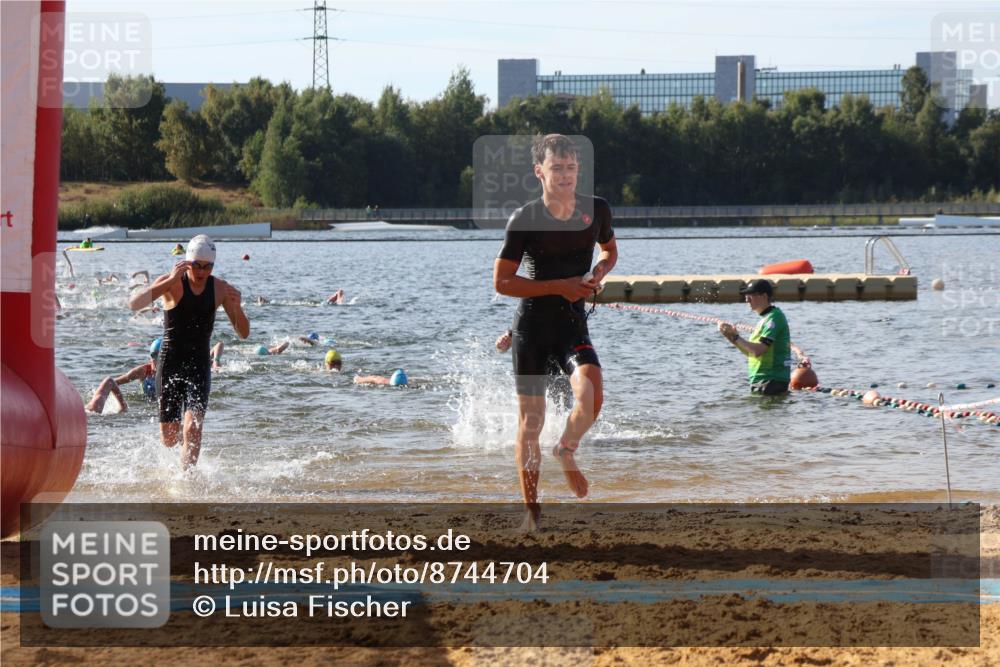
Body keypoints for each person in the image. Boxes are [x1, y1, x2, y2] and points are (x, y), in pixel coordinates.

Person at [493, 133, 618, 529]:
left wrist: (599, 271)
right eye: (556, 168)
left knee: (591, 392)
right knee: (531, 423)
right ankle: (531, 507)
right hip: (531, 328)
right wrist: (560, 286)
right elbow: (502, 282)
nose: (565, 176)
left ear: (578, 169)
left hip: (571, 323)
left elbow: (610, 250)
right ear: (539, 172)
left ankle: (566, 449)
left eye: (571, 168)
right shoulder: (525, 219)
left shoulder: (596, 210)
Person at [127, 234, 250, 469]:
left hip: (199, 366)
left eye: (207, 266)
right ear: (186, 262)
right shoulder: (173, 282)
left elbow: (243, 333)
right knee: (169, 439)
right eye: (196, 265)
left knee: (193, 428)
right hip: (170, 363)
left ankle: (186, 482)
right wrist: (167, 282)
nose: (202, 271)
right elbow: (134, 304)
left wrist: (238, 307)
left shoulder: (220, 289)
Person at [717, 279, 793, 395]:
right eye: (746, 295)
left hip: (771, 381)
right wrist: (729, 336)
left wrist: (736, 337)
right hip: (760, 381)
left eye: (751, 295)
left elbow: (759, 350)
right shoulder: (764, 320)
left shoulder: (774, 318)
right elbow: (750, 353)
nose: (746, 299)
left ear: (764, 296)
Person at [86, 338, 161, 414]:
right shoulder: (143, 371)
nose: (157, 360)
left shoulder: (170, 373)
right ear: (150, 357)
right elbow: (114, 382)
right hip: (145, 404)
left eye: (160, 357)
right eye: (154, 355)